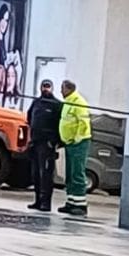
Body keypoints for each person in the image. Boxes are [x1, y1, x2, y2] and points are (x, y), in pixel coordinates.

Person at [58, 79, 93, 217]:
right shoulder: (68, 102)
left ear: (68, 89)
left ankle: (80, 205)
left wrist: (77, 139)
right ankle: (71, 202)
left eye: (62, 88)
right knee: (70, 173)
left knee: (77, 172)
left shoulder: (78, 102)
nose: (61, 91)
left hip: (78, 143)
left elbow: (83, 123)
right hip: (69, 143)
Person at [26, 80, 62, 212]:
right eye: (44, 86)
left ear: (52, 88)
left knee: (46, 174)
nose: (46, 89)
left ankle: (46, 203)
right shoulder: (36, 102)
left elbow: (60, 124)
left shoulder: (57, 105)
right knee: (35, 173)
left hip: (47, 144)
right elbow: (29, 118)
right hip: (35, 142)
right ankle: (37, 200)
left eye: (48, 87)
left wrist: (55, 141)